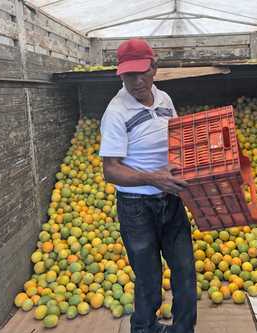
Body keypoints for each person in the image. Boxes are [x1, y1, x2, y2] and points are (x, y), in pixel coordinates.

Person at [99, 38, 197, 333]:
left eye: (142, 72)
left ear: (155, 68)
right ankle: (143, 328)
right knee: (148, 277)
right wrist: (155, 177)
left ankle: (183, 329)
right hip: (137, 207)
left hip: (170, 200)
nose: (137, 81)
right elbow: (110, 170)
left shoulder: (164, 99)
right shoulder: (116, 112)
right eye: (129, 75)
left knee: (184, 270)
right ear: (121, 74)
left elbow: (178, 142)